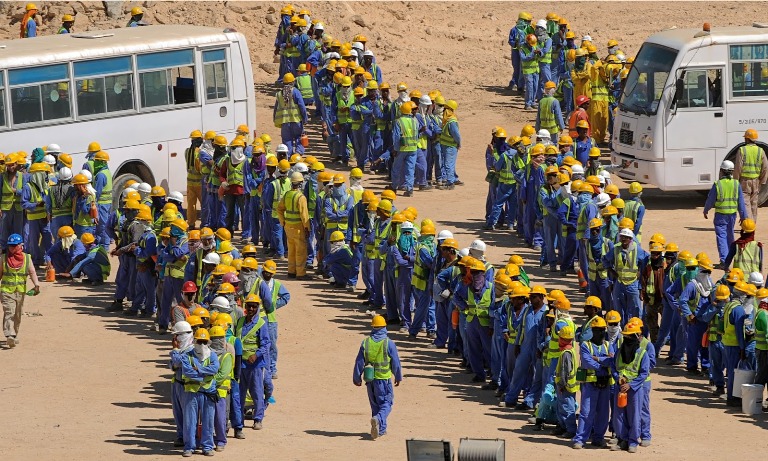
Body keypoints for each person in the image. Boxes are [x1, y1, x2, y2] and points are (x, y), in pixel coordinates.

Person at [352, 315, 403, 440]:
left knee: (375, 405)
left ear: (373, 327)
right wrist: (398, 376)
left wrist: (356, 378)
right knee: (387, 403)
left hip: (370, 380)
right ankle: (378, 419)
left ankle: (381, 430)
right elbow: (395, 362)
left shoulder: (366, 342)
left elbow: (359, 362)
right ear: (384, 327)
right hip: (384, 380)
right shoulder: (388, 343)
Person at [573, 317, 612, 449]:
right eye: (596, 330)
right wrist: (602, 364)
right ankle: (580, 439)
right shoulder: (586, 345)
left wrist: (598, 359)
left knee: (603, 413)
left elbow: (612, 360)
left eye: (601, 330)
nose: (599, 333)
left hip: (605, 383)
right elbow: (586, 361)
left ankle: (598, 438)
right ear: (592, 331)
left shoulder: (608, 345)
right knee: (586, 412)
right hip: (590, 384)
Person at [611, 322, 651, 453]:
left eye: (629, 337)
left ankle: (633, 441)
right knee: (619, 415)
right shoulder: (619, 352)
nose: (627, 340)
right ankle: (623, 440)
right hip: (620, 388)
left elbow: (644, 373)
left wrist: (630, 385)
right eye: (625, 337)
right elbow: (614, 367)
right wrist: (618, 379)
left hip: (634, 390)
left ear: (635, 337)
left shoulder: (642, 354)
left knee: (634, 416)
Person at [180, 328, 219, 457]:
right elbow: (187, 371)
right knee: (190, 421)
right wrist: (204, 374)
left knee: (208, 420)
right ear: (194, 341)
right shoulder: (188, 355)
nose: (201, 345)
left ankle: (207, 446)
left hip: (208, 392)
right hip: (191, 392)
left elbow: (214, 369)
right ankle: (189, 446)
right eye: (199, 341)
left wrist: (199, 369)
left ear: (208, 342)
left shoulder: (212, 355)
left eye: (204, 342)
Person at [236, 293, 271, 430]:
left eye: (254, 306)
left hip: (255, 365)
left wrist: (256, 355)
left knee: (257, 393)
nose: (251, 309)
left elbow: (266, 344)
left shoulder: (261, 324)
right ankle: (240, 420)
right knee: (240, 394)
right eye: (249, 306)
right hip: (241, 364)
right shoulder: (240, 322)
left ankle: (258, 419)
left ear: (258, 307)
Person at [703, 160, 748, 265]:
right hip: (732, 215)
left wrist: (706, 210)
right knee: (730, 235)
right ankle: (731, 257)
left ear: (722, 171)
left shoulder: (718, 184)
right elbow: (741, 201)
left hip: (720, 215)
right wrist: (743, 216)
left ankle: (724, 260)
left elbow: (711, 199)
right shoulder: (736, 184)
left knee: (721, 236)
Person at [1, 234, 40, 348]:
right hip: (6, 291)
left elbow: (32, 272)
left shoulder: (27, 258)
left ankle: (14, 334)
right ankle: (9, 335)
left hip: (20, 292)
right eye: (10, 246)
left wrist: (36, 285)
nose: (12, 248)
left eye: (14, 246)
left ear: (21, 246)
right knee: (9, 312)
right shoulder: (3, 258)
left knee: (18, 314)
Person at [604, 228, 648, 323]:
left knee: (635, 309)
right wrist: (611, 271)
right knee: (619, 309)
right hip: (619, 283)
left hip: (633, 284)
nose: (624, 239)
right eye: (622, 237)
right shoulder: (615, 249)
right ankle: (622, 330)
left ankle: (635, 328)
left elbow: (646, 260)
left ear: (630, 239)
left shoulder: (637, 249)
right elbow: (605, 260)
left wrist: (640, 271)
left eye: (626, 238)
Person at [277, 171, 310, 279]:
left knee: (291, 250)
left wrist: (283, 222)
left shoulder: (287, 194)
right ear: (300, 184)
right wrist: (307, 228)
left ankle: (291, 271)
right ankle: (300, 273)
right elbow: (304, 216)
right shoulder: (301, 197)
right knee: (300, 251)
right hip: (298, 227)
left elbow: (279, 209)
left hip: (288, 227)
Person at [209, 325, 234, 452]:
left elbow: (222, 375)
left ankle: (220, 440)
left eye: (219, 338)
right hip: (207, 391)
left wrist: (207, 379)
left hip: (220, 391)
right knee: (207, 418)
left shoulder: (226, 356)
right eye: (214, 338)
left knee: (220, 418)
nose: (217, 341)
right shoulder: (207, 354)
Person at [21, 163, 52, 267]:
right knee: (34, 241)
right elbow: (23, 203)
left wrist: (48, 214)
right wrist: (36, 204)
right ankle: (36, 261)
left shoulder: (46, 186)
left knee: (48, 240)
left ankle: (49, 260)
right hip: (33, 218)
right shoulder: (28, 187)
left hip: (44, 218)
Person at [169, 321, 194, 449]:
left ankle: (188, 439)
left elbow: (178, 362)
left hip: (187, 386)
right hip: (176, 384)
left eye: (177, 336)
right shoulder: (179, 349)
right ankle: (180, 435)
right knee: (177, 412)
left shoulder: (191, 349)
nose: (174, 339)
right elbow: (171, 365)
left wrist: (175, 351)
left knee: (187, 414)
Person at [733, 128, 768, 219]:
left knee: (745, 203)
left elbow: (738, 167)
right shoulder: (761, 150)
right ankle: (753, 226)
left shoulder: (742, 150)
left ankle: (748, 226)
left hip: (744, 181)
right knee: (754, 204)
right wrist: (762, 181)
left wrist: (735, 180)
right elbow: (765, 167)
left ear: (747, 139)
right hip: (756, 181)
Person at [274, 73, 308, 155]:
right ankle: (298, 154)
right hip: (296, 121)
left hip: (285, 122)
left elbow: (275, 109)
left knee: (287, 141)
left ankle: (288, 157)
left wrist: (275, 120)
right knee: (299, 138)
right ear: (293, 82)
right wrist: (305, 118)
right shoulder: (295, 92)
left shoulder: (279, 94)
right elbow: (302, 106)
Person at [554, 325, 578, 439]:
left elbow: (565, 371)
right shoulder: (570, 351)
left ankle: (571, 429)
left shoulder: (566, 353)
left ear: (563, 339)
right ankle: (563, 427)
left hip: (566, 387)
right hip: (567, 386)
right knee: (562, 407)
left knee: (567, 408)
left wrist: (562, 385)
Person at [391, 101, 419, 196]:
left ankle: (394, 187)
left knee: (396, 168)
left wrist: (395, 149)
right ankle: (409, 189)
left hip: (402, 149)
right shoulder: (415, 121)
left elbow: (396, 137)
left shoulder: (398, 121)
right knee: (410, 169)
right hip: (413, 148)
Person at [437, 100, 461, 190]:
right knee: (448, 164)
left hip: (450, 146)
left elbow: (456, 135)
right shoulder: (447, 120)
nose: (443, 110)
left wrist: (459, 143)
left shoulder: (451, 122)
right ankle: (451, 180)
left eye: (445, 109)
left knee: (448, 164)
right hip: (446, 145)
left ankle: (450, 182)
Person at [753, 287, 768, 409]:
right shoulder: (763, 315)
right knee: (762, 376)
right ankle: (755, 402)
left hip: (761, 349)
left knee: (762, 375)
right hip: (764, 350)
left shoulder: (759, 312)